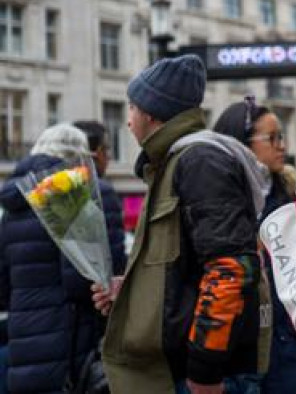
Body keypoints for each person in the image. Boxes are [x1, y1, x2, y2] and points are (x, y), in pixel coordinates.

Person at [90, 55, 269, 394]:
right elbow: (183, 270)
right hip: (183, 374)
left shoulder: (200, 161)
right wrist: (130, 290)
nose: (128, 122)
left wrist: (204, 372)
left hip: (204, 379)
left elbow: (231, 268)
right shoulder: (175, 162)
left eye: (132, 108)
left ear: (152, 112)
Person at [0, 124, 124, 393]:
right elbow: (97, 282)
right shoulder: (80, 193)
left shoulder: (12, 205)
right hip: (71, 345)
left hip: (23, 346)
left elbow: (3, 288)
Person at [214, 98, 296, 393]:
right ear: (243, 145)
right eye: (272, 138)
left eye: (281, 136)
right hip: (235, 358)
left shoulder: (291, 197)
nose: (282, 145)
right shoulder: (218, 200)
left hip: (285, 349)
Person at [73, 120, 128, 275]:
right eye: (107, 149)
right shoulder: (101, 192)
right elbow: (114, 259)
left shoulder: (45, 190)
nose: (109, 157)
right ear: (97, 152)